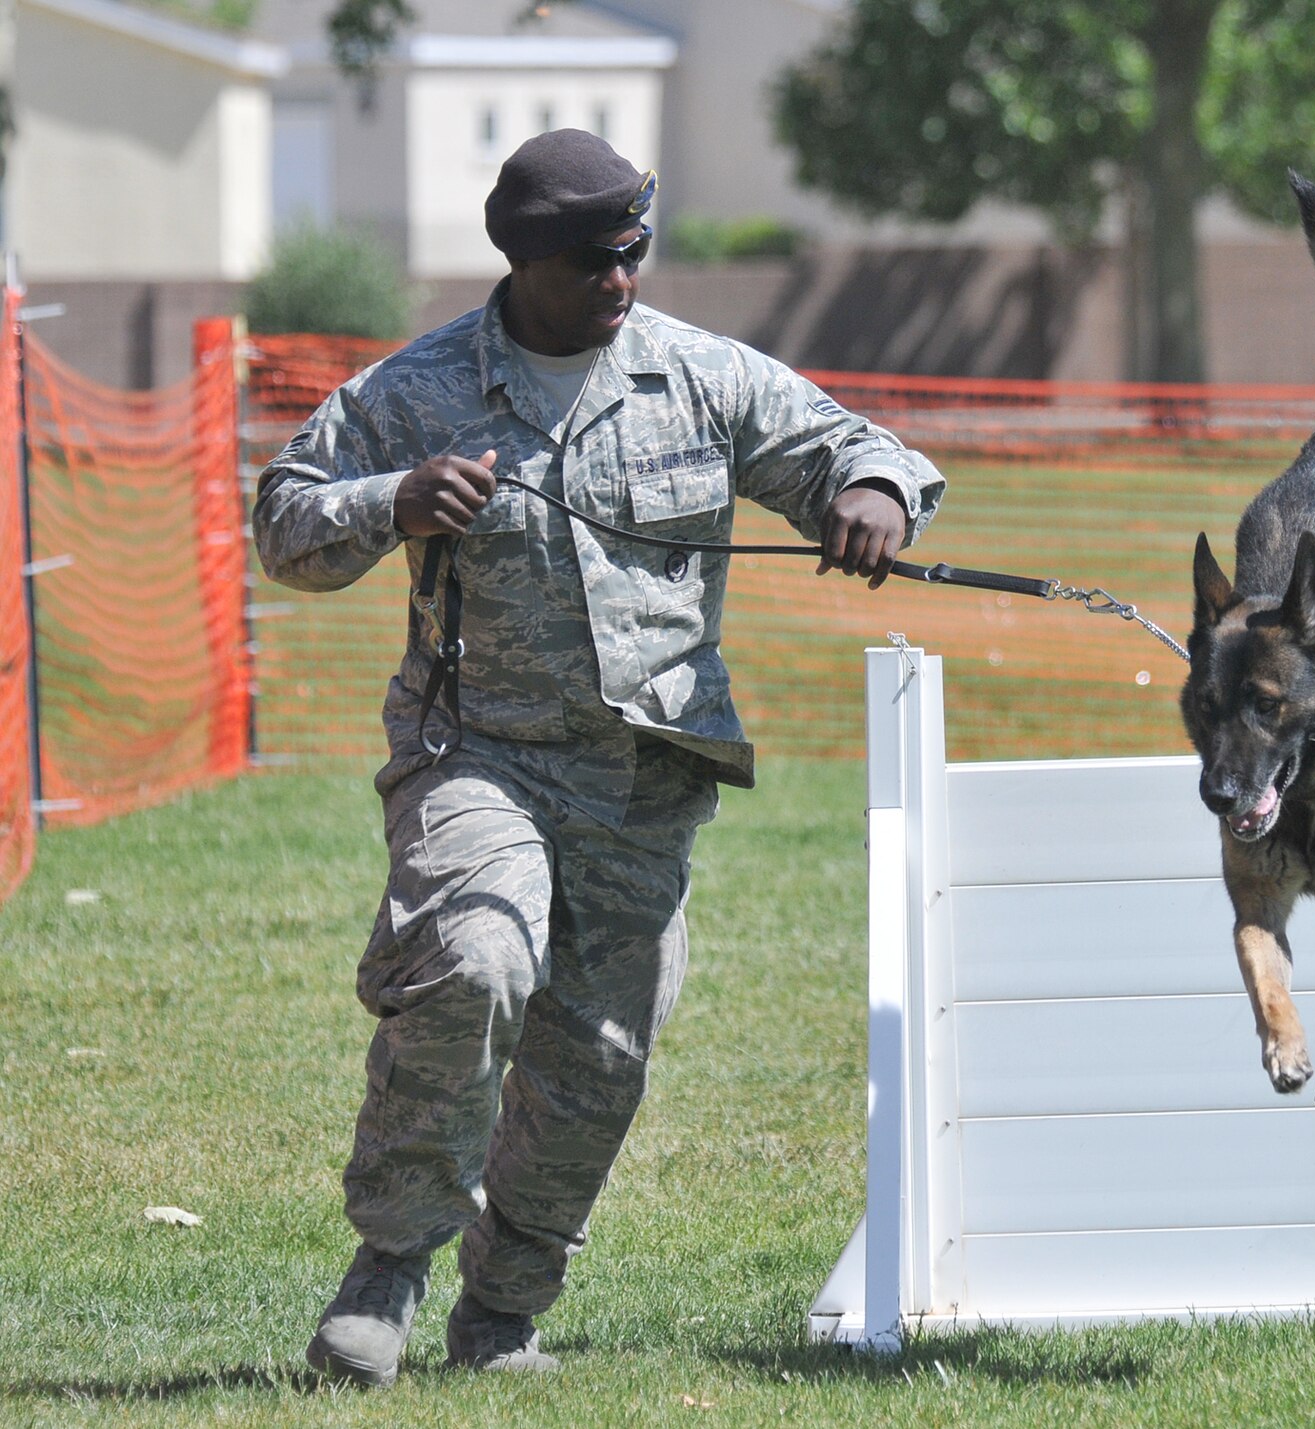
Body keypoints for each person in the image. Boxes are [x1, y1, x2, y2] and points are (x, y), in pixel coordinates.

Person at [254, 129, 945, 1386]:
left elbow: (851, 447)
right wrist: (388, 500)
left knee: (600, 1056)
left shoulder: (695, 375)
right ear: (521, 263)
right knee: (472, 961)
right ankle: (388, 1271)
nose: (619, 281)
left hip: (643, 774)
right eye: (589, 262)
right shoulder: (416, 391)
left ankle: (505, 1308)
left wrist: (873, 494)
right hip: (480, 754)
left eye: (633, 251)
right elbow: (284, 520)